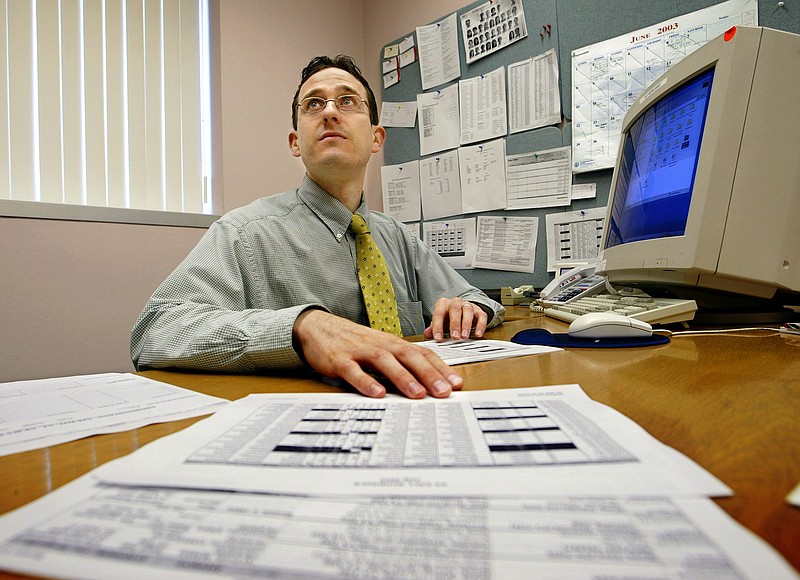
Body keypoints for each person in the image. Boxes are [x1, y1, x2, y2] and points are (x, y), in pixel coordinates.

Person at [131, 54, 505, 399]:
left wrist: (470, 308)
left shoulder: (397, 237)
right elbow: (155, 331)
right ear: (296, 142)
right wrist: (301, 328)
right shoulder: (244, 233)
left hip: (423, 404)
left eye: (347, 101)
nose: (329, 113)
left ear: (376, 138)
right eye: (313, 104)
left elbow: (477, 300)